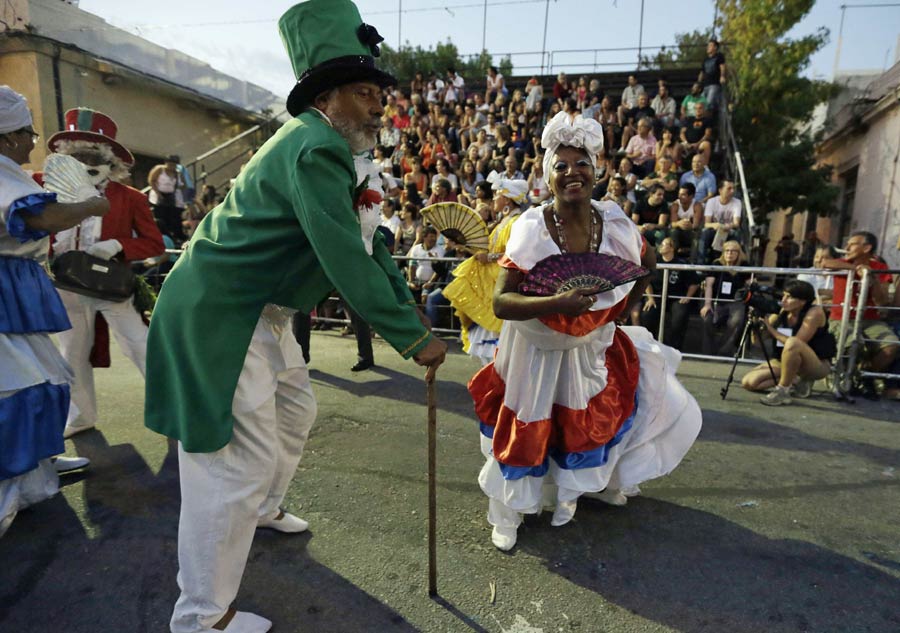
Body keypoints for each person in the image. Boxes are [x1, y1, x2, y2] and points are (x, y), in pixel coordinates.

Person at [144, 3, 447, 632]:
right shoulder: (314, 146)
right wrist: (413, 336)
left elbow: (371, 245)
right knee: (229, 466)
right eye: (365, 94)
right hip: (225, 314)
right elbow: (341, 252)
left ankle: (260, 511)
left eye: (377, 94)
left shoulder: (337, 150)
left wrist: (410, 315)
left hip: (264, 314)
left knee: (294, 412)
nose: (376, 107)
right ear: (328, 95)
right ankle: (202, 618)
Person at [469, 111, 701, 552]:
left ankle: (575, 493)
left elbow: (647, 267)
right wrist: (556, 303)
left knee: (583, 422)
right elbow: (502, 302)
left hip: (588, 346)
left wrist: (619, 311)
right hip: (534, 349)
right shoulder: (531, 228)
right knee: (529, 425)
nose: (573, 173)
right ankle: (508, 512)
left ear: (598, 171)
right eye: (561, 166)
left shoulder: (613, 222)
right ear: (547, 177)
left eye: (582, 164)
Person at [0, 86, 110, 536]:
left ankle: (34, 469)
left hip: (16, 289)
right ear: (6, 136)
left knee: (46, 378)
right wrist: (90, 205)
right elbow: (40, 220)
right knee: (17, 390)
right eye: (27, 131)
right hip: (6, 291)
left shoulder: (10, 170)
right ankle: (9, 489)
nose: (32, 140)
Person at [42, 108, 165, 439]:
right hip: (65, 287)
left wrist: (117, 244)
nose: (86, 162)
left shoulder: (130, 198)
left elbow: (154, 244)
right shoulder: (45, 188)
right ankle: (80, 417)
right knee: (72, 353)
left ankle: (172, 406)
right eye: (78, 156)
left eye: (93, 155)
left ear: (111, 162)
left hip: (112, 286)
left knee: (140, 344)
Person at [443, 176, 528, 364]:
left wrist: (488, 257)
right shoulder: (504, 221)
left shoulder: (515, 222)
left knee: (496, 327)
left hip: (499, 278)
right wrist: (464, 247)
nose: (494, 199)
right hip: (490, 276)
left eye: (497, 195)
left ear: (506, 199)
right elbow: (488, 248)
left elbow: (514, 254)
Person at [821, 231, 899, 392]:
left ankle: (863, 376)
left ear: (867, 247)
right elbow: (826, 263)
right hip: (841, 317)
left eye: (852, 244)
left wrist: (871, 277)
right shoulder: (841, 262)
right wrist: (857, 268)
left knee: (891, 346)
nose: (847, 247)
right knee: (853, 345)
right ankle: (842, 375)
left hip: (870, 319)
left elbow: (882, 300)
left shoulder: (880, 267)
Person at [741, 280, 835, 405]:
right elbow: (757, 342)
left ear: (803, 301)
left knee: (792, 343)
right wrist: (757, 322)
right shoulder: (782, 312)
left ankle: (782, 391)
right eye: (783, 295)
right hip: (784, 362)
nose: (783, 300)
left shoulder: (815, 312)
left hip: (815, 363)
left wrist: (771, 329)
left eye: (789, 297)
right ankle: (795, 380)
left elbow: (797, 343)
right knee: (749, 382)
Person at [638, 236, 700, 351]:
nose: (661, 246)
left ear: (672, 248)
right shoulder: (653, 260)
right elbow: (646, 281)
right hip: (656, 296)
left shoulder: (682, 263)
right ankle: (649, 346)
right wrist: (650, 298)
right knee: (647, 314)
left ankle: (673, 348)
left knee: (680, 316)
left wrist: (687, 297)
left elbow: (694, 282)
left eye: (664, 244)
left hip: (675, 297)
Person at [700, 240, 750, 357]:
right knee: (707, 319)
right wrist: (707, 304)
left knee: (736, 321)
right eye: (727, 251)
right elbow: (709, 285)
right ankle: (707, 353)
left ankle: (723, 351)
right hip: (717, 301)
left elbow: (751, 284)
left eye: (733, 251)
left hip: (735, 302)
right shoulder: (717, 264)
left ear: (739, 253)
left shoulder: (744, 266)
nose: (730, 253)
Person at [698, 179, 741, 264]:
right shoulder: (712, 201)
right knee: (704, 232)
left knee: (736, 234)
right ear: (720, 190)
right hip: (714, 229)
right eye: (729, 188)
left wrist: (729, 226)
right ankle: (700, 264)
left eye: (733, 188)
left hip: (728, 229)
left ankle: (735, 263)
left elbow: (736, 223)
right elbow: (707, 224)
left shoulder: (737, 202)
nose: (732, 191)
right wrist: (716, 225)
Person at [148, 154, 188, 243]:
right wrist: (158, 193)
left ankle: (174, 237)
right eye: (170, 164)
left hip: (171, 196)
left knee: (172, 217)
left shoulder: (177, 173)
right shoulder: (159, 169)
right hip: (159, 196)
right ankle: (161, 236)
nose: (172, 166)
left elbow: (184, 184)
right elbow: (151, 180)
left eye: (174, 164)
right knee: (160, 217)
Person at [699, 38, 726, 109]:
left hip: (714, 84)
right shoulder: (705, 60)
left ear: (715, 47)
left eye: (710, 46)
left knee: (709, 103)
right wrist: (698, 82)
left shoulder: (719, 56)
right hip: (705, 85)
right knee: (700, 103)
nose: (708, 47)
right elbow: (702, 72)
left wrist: (722, 76)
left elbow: (722, 66)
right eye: (708, 46)